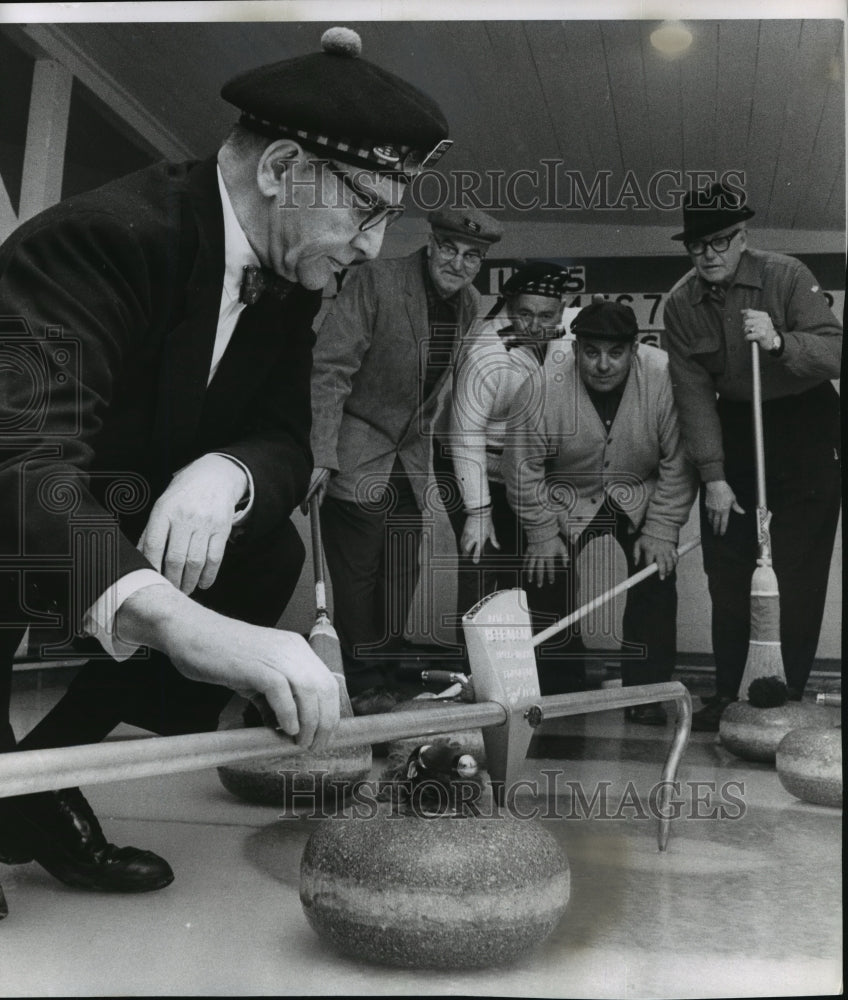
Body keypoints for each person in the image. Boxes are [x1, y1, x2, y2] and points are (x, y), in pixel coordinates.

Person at [0, 27, 451, 899]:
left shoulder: (288, 277)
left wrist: (229, 472)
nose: (372, 243)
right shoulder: (101, 238)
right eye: (366, 208)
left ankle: (39, 779)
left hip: (100, 503)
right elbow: (21, 459)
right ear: (281, 166)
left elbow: (288, 436)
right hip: (15, 508)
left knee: (265, 548)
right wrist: (183, 626)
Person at [305, 207, 502, 706]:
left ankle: (385, 672)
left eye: (471, 256)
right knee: (359, 570)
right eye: (450, 249)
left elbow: (430, 390)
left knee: (401, 568)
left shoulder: (469, 303)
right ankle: (363, 681)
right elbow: (330, 369)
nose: (458, 263)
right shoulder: (377, 279)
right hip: (355, 447)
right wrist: (322, 452)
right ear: (432, 243)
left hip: (409, 458)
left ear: (480, 264)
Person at [663, 182, 842, 731]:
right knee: (729, 567)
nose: (709, 255)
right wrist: (713, 477)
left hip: (806, 421)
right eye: (698, 246)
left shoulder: (785, 275)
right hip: (737, 426)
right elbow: (693, 398)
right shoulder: (681, 305)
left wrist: (781, 341)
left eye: (721, 241)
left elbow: (836, 351)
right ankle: (726, 691)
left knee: (795, 569)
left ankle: (780, 693)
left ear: (744, 238)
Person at [503, 300, 697, 720]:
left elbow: (679, 461)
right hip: (567, 493)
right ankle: (558, 694)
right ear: (575, 350)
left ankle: (644, 696)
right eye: (591, 352)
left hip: (638, 489)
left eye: (615, 353)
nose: (603, 364)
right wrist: (541, 532)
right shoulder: (541, 386)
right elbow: (521, 466)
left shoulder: (665, 376)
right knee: (545, 574)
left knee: (656, 574)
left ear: (634, 349)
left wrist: (662, 528)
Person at [443, 261, 571, 659]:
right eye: (524, 314)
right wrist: (478, 513)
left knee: (541, 564)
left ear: (563, 307)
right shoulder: (485, 352)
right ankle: (473, 677)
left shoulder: (570, 332)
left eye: (546, 316)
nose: (534, 326)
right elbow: (464, 437)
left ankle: (537, 675)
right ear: (509, 304)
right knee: (486, 563)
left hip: (526, 471)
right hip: (471, 465)